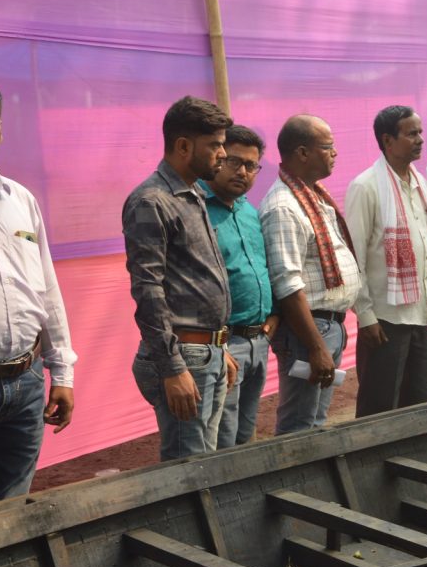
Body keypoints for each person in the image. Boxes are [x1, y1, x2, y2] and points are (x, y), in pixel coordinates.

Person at [123, 96, 237, 461]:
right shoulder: (151, 201)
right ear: (184, 146)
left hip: (205, 353)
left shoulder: (193, 194)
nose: (223, 154)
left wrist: (218, 348)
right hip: (184, 358)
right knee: (188, 472)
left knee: (204, 462)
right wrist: (173, 368)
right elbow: (147, 289)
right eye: (216, 145)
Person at [0, 83, 75, 500]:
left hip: (25, 383)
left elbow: (47, 291)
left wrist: (62, 373)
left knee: (13, 508)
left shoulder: (20, 200)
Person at [259, 115, 361, 434]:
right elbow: (287, 285)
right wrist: (315, 346)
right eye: (328, 146)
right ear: (302, 153)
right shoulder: (284, 207)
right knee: (300, 422)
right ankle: (288, 482)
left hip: (326, 325)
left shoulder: (314, 197)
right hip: (309, 330)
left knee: (314, 419)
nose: (335, 153)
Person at [346, 106, 427, 417]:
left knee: (417, 404)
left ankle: (410, 466)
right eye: (412, 133)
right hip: (385, 320)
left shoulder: (417, 180)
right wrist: (366, 317)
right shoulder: (365, 187)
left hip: (421, 313)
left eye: (420, 132)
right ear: (388, 140)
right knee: (380, 406)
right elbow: (355, 260)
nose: (420, 139)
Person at [203, 125, 278, 448]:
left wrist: (273, 319)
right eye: (234, 162)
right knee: (221, 441)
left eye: (251, 165)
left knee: (245, 435)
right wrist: (217, 347)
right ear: (218, 157)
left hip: (258, 340)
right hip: (223, 345)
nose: (243, 171)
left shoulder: (250, 211)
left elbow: (262, 269)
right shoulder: (197, 211)